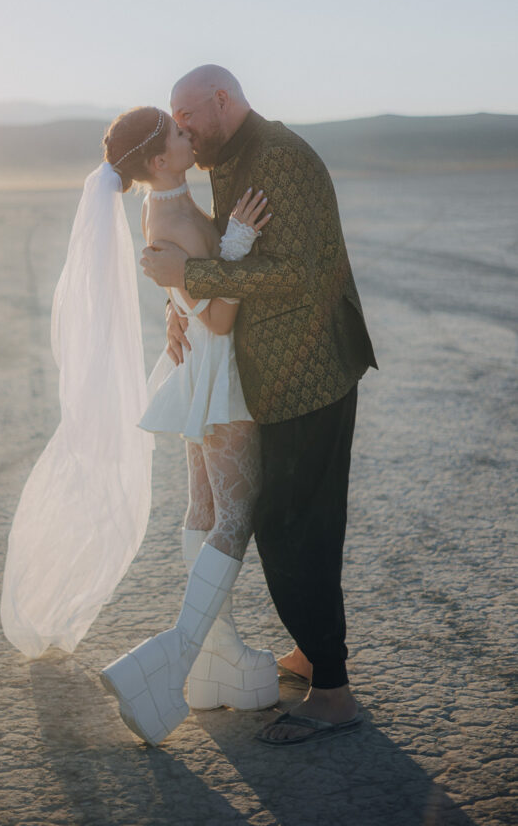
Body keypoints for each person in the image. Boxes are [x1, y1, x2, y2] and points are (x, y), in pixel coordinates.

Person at [140, 66, 378, 746]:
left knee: (289, 522)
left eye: (188, 116)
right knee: (300, 517)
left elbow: (296, 271)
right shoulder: (229, 155)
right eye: (173, 123)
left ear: (223, 101)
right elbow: (217, 242)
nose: (181, 129)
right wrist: (176, 302)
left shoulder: (279, 157)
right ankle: (310, 654)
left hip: (309, 369)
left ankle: (332, 694)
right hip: (269, 371)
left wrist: (192, 277)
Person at [99, 106, 281, 746]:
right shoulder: (175, 213)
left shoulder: (157, 205)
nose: (189, 135)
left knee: (203, 505)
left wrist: (176, 306)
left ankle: (213, 664)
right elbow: (223, 318)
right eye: (178, 134)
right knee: (237, 513)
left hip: (195, 365)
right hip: (219, 370)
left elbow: (171, 274)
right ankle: (179, 655)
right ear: (157, 159)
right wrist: (235, 242)